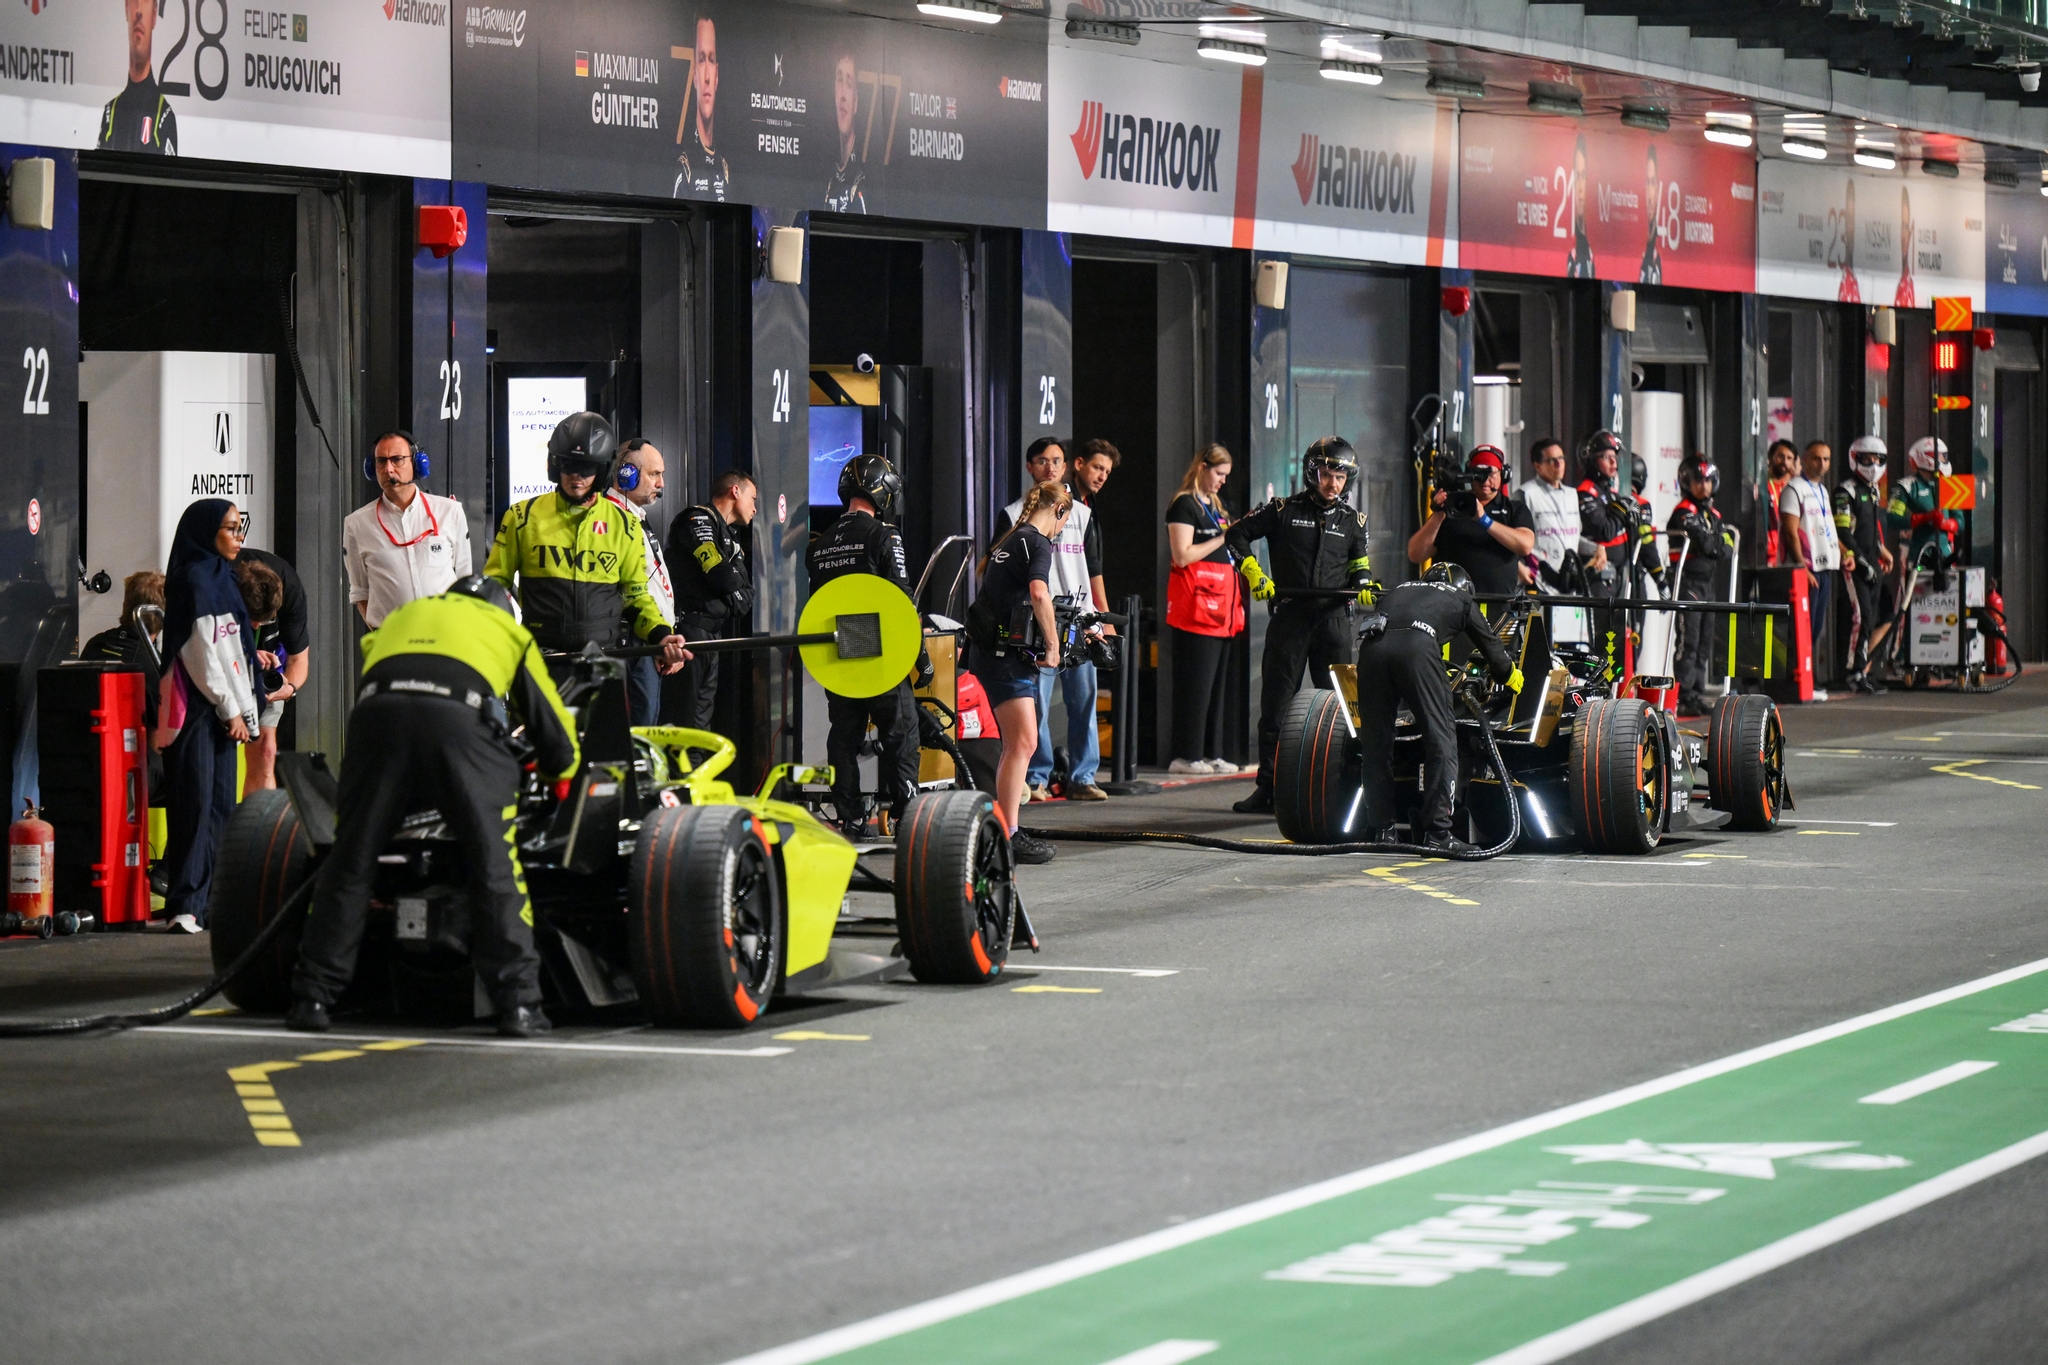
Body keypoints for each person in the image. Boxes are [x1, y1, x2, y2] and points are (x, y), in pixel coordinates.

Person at [286, 577, 580, 1039]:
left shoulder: (406, 614)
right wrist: (561, 776)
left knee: (350, 860)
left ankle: (312, 998)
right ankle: (520, 1007)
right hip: (458, 722)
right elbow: (553, 734)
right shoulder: (507, 630)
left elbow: (390, 685)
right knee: (493, 866)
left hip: (374, 717)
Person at [1224, 436, 1373, 816]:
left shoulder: (1355, 522)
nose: (1333, 484)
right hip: (1290, 618)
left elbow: (1360, 565)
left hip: (1335, 622)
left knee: (1341, 707)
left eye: (1340, 477)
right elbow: (1236, 535)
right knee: (1275, 707)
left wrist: (1364, 587)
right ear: (1312, 472)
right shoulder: (1282, 510)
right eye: (1326, 474)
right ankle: (1268, 788)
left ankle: (1341, 787)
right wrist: (1252, 571)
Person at [483, 411, 689, 680]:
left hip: (604, 664)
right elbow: (494, 585)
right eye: (568, 465)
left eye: (587, 467)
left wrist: (662, 636)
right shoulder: (523, 516)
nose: (576, 476)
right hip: (540, 662)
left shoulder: (624, 524)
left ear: (603, 469)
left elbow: (637, 596)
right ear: (554, 466)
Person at [1356, 564, 1520, 854]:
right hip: (1417, 649)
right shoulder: (1462, 598)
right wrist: (1511, 677)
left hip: (1371, 649)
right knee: (1442, 742)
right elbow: (1493, 649)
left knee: (1376, 746)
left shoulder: (1400, 590)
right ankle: (1438, 834)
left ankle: (1382, 831)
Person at [807, 455, 927, 836]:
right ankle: (907, 814)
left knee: (843, 735)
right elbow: (901, 600)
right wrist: (920, 657)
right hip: (880, 650)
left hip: (838, 650)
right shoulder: (885, 535)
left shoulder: (819, 543)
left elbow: (818, 604)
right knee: (901, 733)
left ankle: (849, 816)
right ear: (884, 491)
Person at [159, 501, 261, 934]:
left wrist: (246, 713)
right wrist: (230, 707)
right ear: (205, 532)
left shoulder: (224, 578)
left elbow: (236, 654)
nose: (239, 537)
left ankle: (212, 904)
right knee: (195, 805)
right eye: (230, 529)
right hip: (198, 712)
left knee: (222, 807)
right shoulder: (195, 578)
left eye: (241, 528)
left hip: (225, 713)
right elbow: (200, 654)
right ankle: (185, 904)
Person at [970, 481, 1073, 864]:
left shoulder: (1011, 540)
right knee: (1023, 743)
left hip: (991, 654)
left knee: (1020, 743)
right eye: (1065, 522)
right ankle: (1008, 834)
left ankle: (1007, 827)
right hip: (1003, 659)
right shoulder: (1037, 542)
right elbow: (1039, 593)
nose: (1062, 531)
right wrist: (1052, 644)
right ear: (1059, 512)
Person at [994, 438, 1100, 803]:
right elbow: (1036, 591)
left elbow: (1095, 570)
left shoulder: (1082, 515)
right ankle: (1035, 778)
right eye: (1042, 461)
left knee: (1083, 700)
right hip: (1037, 625)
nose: (1050, 467)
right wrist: (1050, 642)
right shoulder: (1017, 520)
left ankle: (1082, 776)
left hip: (1078, 618)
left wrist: (1100, 622)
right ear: (1030, 467)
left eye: (1057, 461)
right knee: (1031, 707)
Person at [343, 430, 472, 628]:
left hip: (446, 636)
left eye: (397, 460)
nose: (388, 469)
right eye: (381, 461)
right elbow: (360, 592)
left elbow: (464, 579)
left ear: (417, 464)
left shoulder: (450, 512)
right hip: (392, 643)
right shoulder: (356, 524)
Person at [1165, 444, 1242, 776]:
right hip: (1196, 606)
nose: (1222, 481)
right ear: (1202, 468)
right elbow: (1182, 555)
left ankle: (1213, 752)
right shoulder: (1184, 505)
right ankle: (1187, 754)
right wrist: (1224, 536)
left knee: (1216, 687)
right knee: (1195, 684)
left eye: (1226, 476)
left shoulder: (1218, 505)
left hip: (1223, 606)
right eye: (1218, 473)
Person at [666, 469, 757, 728]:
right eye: (753, 499)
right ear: (735, 491)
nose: (755, 509)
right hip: (688, 634)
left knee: (702, 723)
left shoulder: (730, 537)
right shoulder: (696, 519)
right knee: (682, 720)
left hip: (714, 636)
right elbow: (723, 576)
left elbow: (745, 598)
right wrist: (729, 581)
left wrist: (729, 581)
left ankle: (696, 770)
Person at [605, 439, 675, 726]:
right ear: (626, 475)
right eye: (654, 474)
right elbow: (629, 590)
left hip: (649, 641)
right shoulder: (611, 519)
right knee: (638, 735)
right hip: (633, 643)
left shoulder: (635, 518)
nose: (661, 484)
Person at [1407, 445, 1536, 600]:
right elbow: (1415, 554)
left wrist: (1484, 520)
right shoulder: (1454, 507)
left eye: (1491, 473)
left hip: (1497, 604)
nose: (1485, 480)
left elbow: (1525, 545)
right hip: (1452, 604)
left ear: (1504, 474)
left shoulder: (1514, 509)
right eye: (1478, 473)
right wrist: (1438, 514)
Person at [234, 544, 309, 792]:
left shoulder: (292, 590)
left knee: (266, 751)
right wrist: (244, 655)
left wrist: (288, 687)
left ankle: (257, 828)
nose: (256, 626)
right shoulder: (219, 583)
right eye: (250, 619)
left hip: (268, 671)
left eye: (263, 621)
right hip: (220, 666)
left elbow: (299, 661)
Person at [1666, 457, 1735, 716]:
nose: (1703, 486)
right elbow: (1708, 545)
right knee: (1689, 640)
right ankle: (1684, 695)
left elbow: (1727, 545)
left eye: (1707, 480)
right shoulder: (1683, 512)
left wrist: (1716, 544)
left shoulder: (1714, 514)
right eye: (1698, 480)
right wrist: (1715, 544)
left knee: (1705, 640)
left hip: (1707, 583)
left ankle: (1696, 692)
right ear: (1687, 482)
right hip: (1688, 582)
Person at [1780, 441, 1843, 694]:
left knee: (1814, 628)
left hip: (1825, 565)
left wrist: (1844, 552)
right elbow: (1791, 531)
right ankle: (1793, 682)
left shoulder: (1821, 490)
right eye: (1817, 459)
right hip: (1806, 569)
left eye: (1826, 459)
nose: (1822, 464)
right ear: (1804, 460)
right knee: (1800, 628)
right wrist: (1800, 567)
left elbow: (1827, 527)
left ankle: (1806, 681)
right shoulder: (1794, 489)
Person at [1836, 436, 1895, 693]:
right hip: (1855, 563)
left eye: (1877, 459)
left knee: (1873, 618)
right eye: (1866, 459)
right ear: (1854, 458)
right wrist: (1861, 562)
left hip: (1873, 560)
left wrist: (1883, 552)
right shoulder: (1845, 491)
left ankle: (1861, 669)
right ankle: (1854, 672)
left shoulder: (1873, 490)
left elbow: (1872, 529)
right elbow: (1843, 531)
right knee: (1862, 618)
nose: (1872, 464)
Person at [1516, 437, 1604, 592]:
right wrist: (1518, 567)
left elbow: (1573, 538)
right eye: (1552, 460)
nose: (1559, 464)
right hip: (1537, 582)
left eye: (1561, 458)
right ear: (1538, 466)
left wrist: (1596, 549)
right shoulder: (1525, 494)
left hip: (1568, 583)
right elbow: (1514, 539)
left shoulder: (1571, 495)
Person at [99, 0, 177, 155]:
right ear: (126, 8)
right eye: (134, 1)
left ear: (154, 15)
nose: (139, 10)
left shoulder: (164, 115)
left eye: (146, 1)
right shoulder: (111, 111)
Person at [1887, 436, 1958, 579]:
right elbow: (1892, 518)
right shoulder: (1905, 487)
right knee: (1913, 597)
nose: (1943, 460)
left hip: (1945, 553)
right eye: (1939, 456)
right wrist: (1923, 518)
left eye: (1944, 456)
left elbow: (1961, 522)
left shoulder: (1950, 485)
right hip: (1915, 554)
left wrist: (1945, 524)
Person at [674, 16, 729, 200]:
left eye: (711, 60)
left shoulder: (725, 168)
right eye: (701, 59)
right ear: (694, 75)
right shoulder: (684, 167)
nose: (707, 76)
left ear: (717, 76)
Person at [1575, 430, 1633, 595]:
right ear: (1592, 460)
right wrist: (1621, 510)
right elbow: (1604, 532)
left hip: (1620, 573)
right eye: (1607, 457)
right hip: (1598, 575)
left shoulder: (1611, 492)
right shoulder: (1585, 492)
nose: (1614, 463)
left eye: (1615, 457)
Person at [824, 51, 867, 213]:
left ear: (856, 101)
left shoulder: (862, 181)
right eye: (839, 81)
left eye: (849, 84)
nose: (842, 95)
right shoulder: (829, 178)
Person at [1763, 439, 1797, 565]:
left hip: (1787, 553)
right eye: (1780, 456)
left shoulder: (1792, 489)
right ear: (1771, 457)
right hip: (1765, 552)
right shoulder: (1761, 486)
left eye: (1789, 458)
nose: (1785, 462)